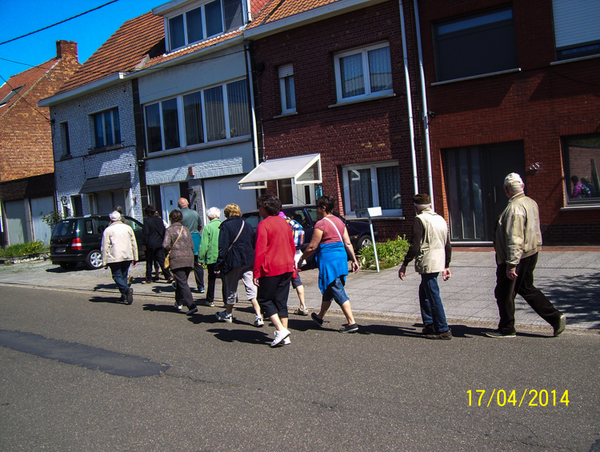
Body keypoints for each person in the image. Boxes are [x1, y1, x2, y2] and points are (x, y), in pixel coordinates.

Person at [487, 172, 566, 338]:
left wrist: (511, 264)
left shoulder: (514, 208)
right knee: (526, 288)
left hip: (517, 256)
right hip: (530, 252)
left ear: (506, 189)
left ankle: (507, 328)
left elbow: (514, 238)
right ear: (522, 186)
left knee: (504, 292)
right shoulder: (530, 202)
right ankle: (555, 317)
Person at [300, 195, 360, 333]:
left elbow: (312, 247)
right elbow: (348, 243)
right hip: (341, 258)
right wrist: (354, 260)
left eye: (318, 207)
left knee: (336, 288)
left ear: (323, 208)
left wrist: (302, 258)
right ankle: (320, 317)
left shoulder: (321, 224)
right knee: (329, 288)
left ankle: (352, 322)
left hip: (329, 260)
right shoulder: (340, 222)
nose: (317, 210)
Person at [398, 194, 452, 340]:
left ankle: (443, 328)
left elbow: (415, 245)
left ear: (416, 208)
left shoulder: (419, 220)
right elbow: (447, 244)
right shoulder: (440, 219)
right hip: (439, 260)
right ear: (430, 205)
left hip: (428, 260)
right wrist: (446, 265)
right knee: (424, 291)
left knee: (433, 294)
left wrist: (405, 264)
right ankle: (429, 323)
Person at [253, 195, 296, 346]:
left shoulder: (264, 225)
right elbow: (292, 246)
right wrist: (294, 267)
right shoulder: (285, 223)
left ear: (265, 207)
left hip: (270, 268)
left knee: (264, 299)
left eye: (260, 206)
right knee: (281, 301)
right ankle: (285, 333)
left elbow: (260, 250)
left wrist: (256, 272)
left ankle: (280, 330)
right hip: (286, 265)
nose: (259, 209)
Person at [215, 203, 264, 327]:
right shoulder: (246, 225)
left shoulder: (225, 226)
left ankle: (228, 313)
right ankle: (258, 315)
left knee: (231, 289)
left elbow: (223, 247)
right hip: (248, 260)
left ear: (226, 213)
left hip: (232, 261)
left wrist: (219, 263)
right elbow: (252, 242)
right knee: (252, 289)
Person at [163, 209, 198, 315]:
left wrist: (167, 252)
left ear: (171, 218)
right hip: (189, 258)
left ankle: (191, 305)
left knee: (182, 282)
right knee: (181, 281)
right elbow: (192, 245)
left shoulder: (170, 230)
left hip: (177, 258)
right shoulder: (186, 229)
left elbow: (165, 245)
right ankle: (179, 301)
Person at [101, 211, 138, 304]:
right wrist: (135, 257)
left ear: (111, 219)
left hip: (114, 256)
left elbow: (105, 246)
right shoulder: (128, 228)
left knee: (116, 276)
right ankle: (124, 296)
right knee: (124, 275)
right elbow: (134, 243)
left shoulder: (108, 230)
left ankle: (126, 290)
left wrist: (104, 261)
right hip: (127, 255)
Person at [278, 210, 309, 315]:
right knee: (297, 280)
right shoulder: (294, 223)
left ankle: (281, 308)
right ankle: (303, 306)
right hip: (295, 255)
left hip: (284, 256)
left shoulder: (280, 224)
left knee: (281, 283)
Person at [198, 207, 224, 307]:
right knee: (225, 279)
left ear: (209, 216)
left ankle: (210, 299)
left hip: (212, 257)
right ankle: (226, 300)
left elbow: (204, 245)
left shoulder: (207, 227)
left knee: (211, 279)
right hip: (223, 256)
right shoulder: (223, 225)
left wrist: (200, 258)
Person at [178, 197, 205, 293]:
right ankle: (201, 286)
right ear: (188, 203)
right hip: (196, 239)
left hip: (184, 239)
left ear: (178, 206)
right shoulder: (195, 213)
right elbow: (200, 225)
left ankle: (183, 283)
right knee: (198, 264)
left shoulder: (179, 215)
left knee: (185, 264)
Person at [142, 205, 172, 284]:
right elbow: (163, 231)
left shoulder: (147, 221)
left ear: (147, 214)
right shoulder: (160, 220)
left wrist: (144, 244)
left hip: (150, 244)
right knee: (161, 260)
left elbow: (145, 234)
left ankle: (148, 278)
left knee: (149, 261)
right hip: (159, 243)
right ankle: (168, 276)